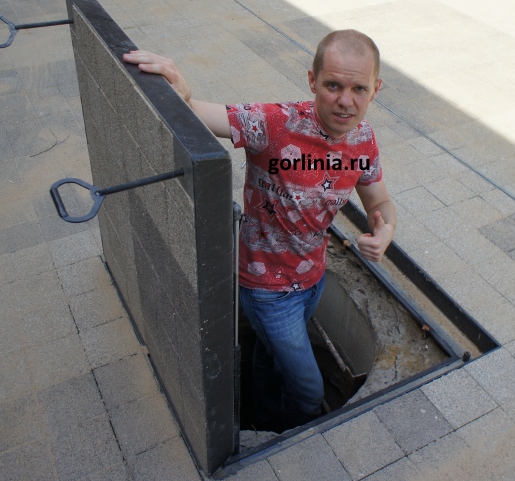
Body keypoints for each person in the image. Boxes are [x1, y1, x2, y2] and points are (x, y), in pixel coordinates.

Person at [123, 30, 396, 432]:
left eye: (359, 88)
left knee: (269, 357)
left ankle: (266, 419)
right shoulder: (274, 124)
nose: (345, 101)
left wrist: (385, 230)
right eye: (333, 85)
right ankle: (293, 439)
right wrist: (181, 92)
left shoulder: (364, 140)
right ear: (312, 80)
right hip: (267, 290)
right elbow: (198, 112)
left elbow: (379, 203)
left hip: (314, 279)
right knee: (308, 389)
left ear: (376, 89)